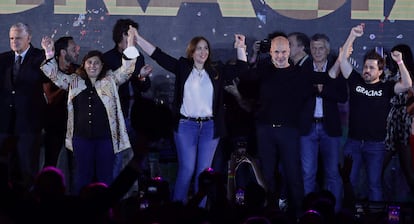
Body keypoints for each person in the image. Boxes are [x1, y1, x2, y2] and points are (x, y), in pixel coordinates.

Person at [133, 30, 248, 205]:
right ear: (191, 52)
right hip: (186, 126)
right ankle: (179, 210)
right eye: (199, 48)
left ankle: (198, 212)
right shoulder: (182, 67)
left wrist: (241, 47)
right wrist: (138, 38)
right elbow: (158, 55)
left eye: (206, 48)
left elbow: (242, 68)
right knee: (186, 169)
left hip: (210, 127)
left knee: (203, 173)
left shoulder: (216, 69)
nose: (203, 52)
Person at [40, 26, 145, 194]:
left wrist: (131, 44)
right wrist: (49, 53)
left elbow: (127, 70)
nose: (93, 65)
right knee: (82, 177)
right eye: (89, 62)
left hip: (105, 139)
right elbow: (55, 76)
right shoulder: (75, 81)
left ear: (102, 65)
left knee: (105, 177)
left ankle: (106, 211)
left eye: (96, 62)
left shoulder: (110, 80)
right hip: (81, 139)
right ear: (84, 65)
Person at [331, 24, 412, 202]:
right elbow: (343, 61)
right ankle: (350, 215)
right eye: (366, 67)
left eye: (372, 68)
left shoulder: (387, 87)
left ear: (380, 71)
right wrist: (352, 34)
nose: (367, 70)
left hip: (376, 145)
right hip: (353, 143)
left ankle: (374, 217)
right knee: (349, 181)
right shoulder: (356, 81)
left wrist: (400, 62)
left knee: (374, 184)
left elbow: (407, 84)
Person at [242, 32, 314, 218]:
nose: (280, 56)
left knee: (293, 174)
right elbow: (246, 78)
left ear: (289, 50)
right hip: (265, 130)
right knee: (266, 175)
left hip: (289, 130)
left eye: (283, 51)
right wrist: (243, 51)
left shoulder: (299, 74)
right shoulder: (264, 69)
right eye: (276, 52)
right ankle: (267, 213)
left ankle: (298, 214)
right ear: (271, 52)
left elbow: (307, 101)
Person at [299, 33, 347, 212]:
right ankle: (308, 212)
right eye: (313, 48)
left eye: (320, 48)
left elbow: (342, 96)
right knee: (307, 174)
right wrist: (316, 89)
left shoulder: (337, 68)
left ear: (327, 50)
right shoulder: (303, 69)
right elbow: (298, 95)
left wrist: (321, 90)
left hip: (330, 128)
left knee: (333, 174)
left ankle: (333, 213)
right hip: (307, 127)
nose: (317, 52)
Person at [0, 22, 47, 191]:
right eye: (11, 38)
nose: (14, 42)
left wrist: (49, 54)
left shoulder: (40, 57)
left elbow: (49, 76)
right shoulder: (3, 59)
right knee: (4, 170)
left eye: (18, 38)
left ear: (29, 38)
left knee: (27, 170)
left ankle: (28, 207)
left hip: (28, 125)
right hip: (5, 125)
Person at [103, 18, 152, 179]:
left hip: (135, 114)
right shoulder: (108, 58)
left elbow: (145, 87)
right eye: (132, 35)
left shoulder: (138, 57)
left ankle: (132, 195)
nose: (135, 39)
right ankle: (112, 195)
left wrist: (142, 78)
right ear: (122, 35)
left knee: (134, 157)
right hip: (117, 114)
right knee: (116, 157)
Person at [382, 44, 414, 193]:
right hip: (389, 120)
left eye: (399, 55)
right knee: (380, 163)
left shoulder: (410, 75)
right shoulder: (388, 72)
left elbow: (409, 88)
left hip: (405, 121)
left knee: (408, 167)